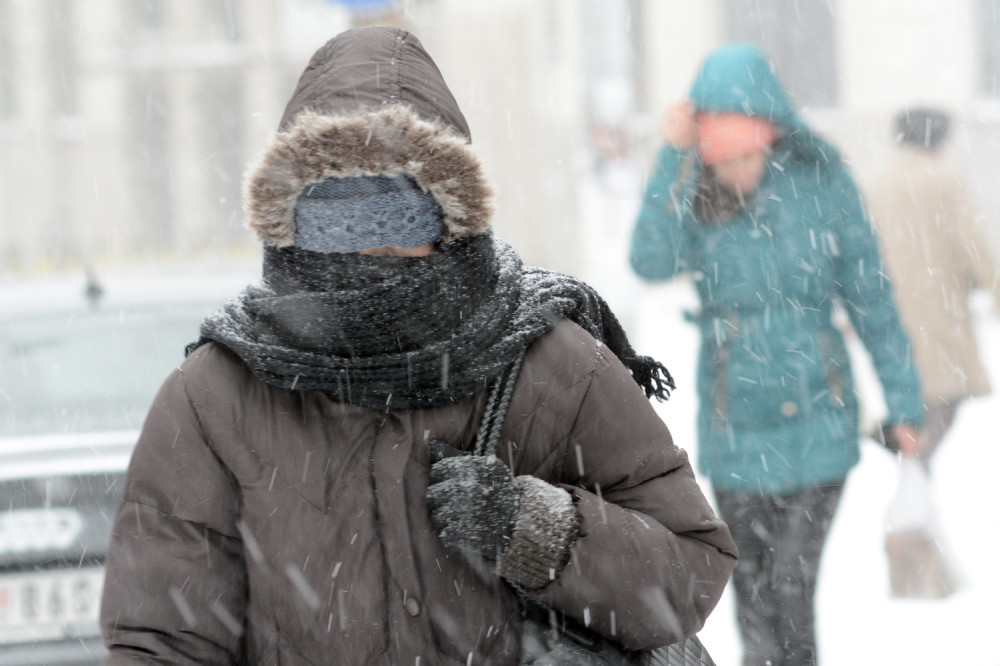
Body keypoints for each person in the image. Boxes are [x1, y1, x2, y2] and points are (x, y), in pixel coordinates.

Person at [99, 27, 737, 664]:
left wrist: (535, 529)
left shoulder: (551, 363)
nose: (368, 248)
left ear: (448, 221)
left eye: (397, 217)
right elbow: (161, 639)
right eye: (338, 217)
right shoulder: (216, 396)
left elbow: (690, 565)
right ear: (291, 225)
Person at [630, 44, 923, 666]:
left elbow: (872, 298)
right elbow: (650, 259)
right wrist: (676, 153)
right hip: (736, 424)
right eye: (721, 155)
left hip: (821, 416)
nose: (734, 168)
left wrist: (903, 401)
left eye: (745, 152)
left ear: (770, 135)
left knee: (791, 587)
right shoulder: (697, 188)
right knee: (751, 595)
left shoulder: (824, 182)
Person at [866, 107, 1000, 465]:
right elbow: (975, 248)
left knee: (915, 399)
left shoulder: (878, 183)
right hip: (940, 313)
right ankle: (913, 487)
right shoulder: (945, 181)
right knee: (942, 402)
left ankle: (911, 474)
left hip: (892, 314)